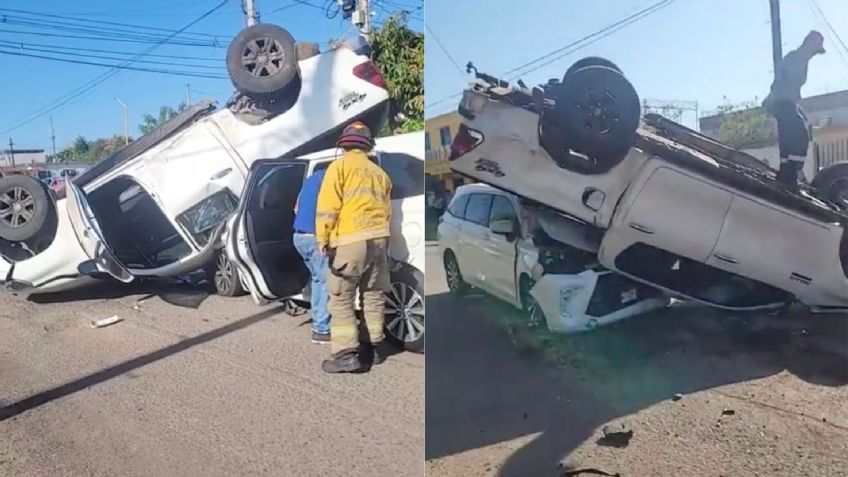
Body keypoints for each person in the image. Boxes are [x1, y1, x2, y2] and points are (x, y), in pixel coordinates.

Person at [315, 121, 393, 373]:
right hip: (379, 240)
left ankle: (346, 354)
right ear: (368, 146)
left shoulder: (339, 167)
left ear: (343, 145)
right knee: (373, 294)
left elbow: (328, 207)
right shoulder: (381, 174)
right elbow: (387, 212)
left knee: (341, 298)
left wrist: (322, 238)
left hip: (351, 240)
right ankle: (375, 348)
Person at [762, 30, 826, 190]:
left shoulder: (800, 59)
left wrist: (796, 107)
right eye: (815, 50)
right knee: (799, 137)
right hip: (782, 101)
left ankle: (786, 172)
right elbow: (782, 82)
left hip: (784, 102)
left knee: (790, 136)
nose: (814, 55)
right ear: (809, 43)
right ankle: (790, 175)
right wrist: (775, 99)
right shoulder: (796, 59)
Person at [293, 164, 331, 344]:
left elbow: (296, 208)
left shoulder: (310, 181)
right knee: (327, 283)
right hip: (315, 237)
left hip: (299, 237)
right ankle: (322, 329)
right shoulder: (331, 180)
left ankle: (317, 321)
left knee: (317, 280)